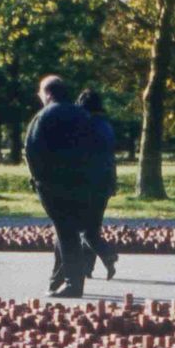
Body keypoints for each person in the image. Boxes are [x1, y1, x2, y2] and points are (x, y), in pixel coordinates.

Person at [25, 75, 108, 298]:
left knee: (66, 232)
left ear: (48, 93)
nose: (39, 96)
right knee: (65, 232)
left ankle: (73, 284)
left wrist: (40, 180)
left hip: (55, 185)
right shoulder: (83, 115)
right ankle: (58, 280)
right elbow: (97, 149)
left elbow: (32, 150)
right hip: (84, 183)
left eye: (40, 92)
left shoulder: (43, 117)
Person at [75, 89, 119, 280]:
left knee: (84, 229)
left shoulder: (84, 126)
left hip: (88, 182)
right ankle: (87, 268)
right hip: (106, 181)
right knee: (94, 227)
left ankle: (108, 254)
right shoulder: (106, 126)